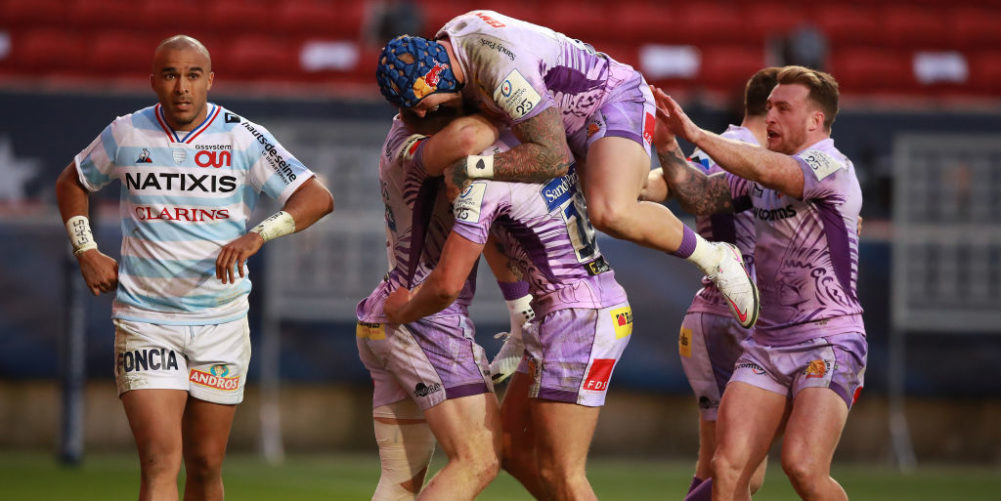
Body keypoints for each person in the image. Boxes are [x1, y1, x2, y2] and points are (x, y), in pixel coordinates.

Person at [54, 35, 334, 501]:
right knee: (161, 461)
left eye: (192, 75)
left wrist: (258, 234)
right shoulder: (126, 132)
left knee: (205, 464)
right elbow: (73, 181)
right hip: (147, 321)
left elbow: (317, 197)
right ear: (154, 82)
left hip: (220, 322)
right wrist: (86, 248)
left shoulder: (241, 136)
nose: (181, 87)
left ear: (210, 80)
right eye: (170, 75)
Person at [373, 10, 759, 329]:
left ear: (432, 76)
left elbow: (552, 158)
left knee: (611, 211)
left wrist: (470, 167)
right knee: (492, 197)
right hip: (564, 118)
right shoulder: (450, 46)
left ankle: (717, 258)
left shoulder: (498, 67)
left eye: (421, 102)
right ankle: (521, 315)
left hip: (609, 100)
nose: (423, 112)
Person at [651, 66, 865, 501]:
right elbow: (698, 195)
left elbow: (775, 172)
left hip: (829, 340)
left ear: (815, 121)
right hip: (767, 343)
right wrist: (669, 145)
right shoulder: (761, 172)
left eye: (784, 109)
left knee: (803, 468)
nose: (770, 117)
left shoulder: (829, 165)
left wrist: (697, 132)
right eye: (768, 107)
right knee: (728, 469)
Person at [384, 127, 632, 500]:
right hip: (572, 307)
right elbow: (507, 242)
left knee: (563, 472)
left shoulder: (485, 179)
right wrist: (520, 322)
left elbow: (447, 285)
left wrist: (404, 311)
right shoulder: (531, 146)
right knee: (512, 448)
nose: (447, 192)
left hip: (578, 316)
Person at [355, 105, 537, 500]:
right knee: (480, 458)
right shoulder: (428, 147)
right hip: (422, 319)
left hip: (386, 312)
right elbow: (470, 138)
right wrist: (503, 106)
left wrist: (520, 312)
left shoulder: (402, 135)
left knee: (400, 481)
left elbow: (482, 230)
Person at [643, 68, 780, 501]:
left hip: (722, 316)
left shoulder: (753, 151)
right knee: (740, 471)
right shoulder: (739, 149)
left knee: (721, 467)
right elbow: (679, 186)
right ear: (774, 108)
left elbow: (664, 184)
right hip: (734, 317)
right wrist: (662, 153)